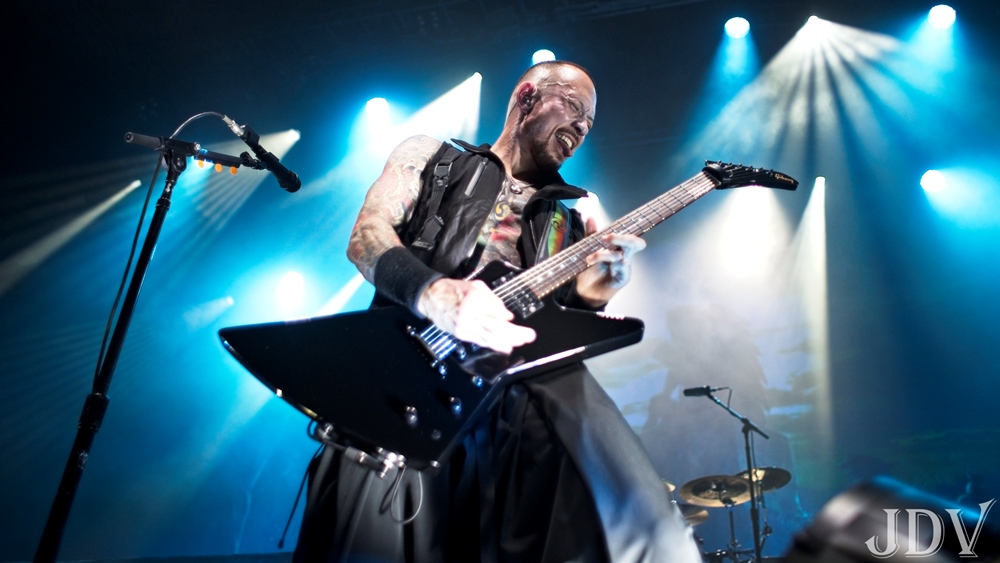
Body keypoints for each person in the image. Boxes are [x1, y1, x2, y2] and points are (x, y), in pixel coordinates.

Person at [293, 61, 702, 563]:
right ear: (527, 97)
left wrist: (598, 291)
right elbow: (366, 237)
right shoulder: (433, 157)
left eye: (589, 123)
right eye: (574, 108)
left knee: (620, 511)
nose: (581, 127)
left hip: (507, 412)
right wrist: (434, 294)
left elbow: (563, 321)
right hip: (400, 388)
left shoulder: (571, 216)